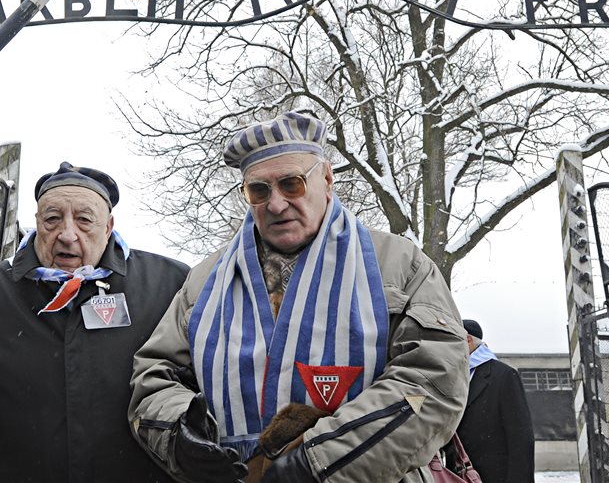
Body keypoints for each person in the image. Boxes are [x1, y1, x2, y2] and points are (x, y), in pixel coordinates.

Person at [129, 110, 469, 483]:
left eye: (291, 184)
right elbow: (155, 377)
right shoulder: (204, 281)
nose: (275, 204)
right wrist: (180, 437)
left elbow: (434, 384)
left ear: (326, 180)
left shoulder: (400, 265)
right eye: (258, 190)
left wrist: (317, 462)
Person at [0, 162, 189, 483]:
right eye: (52, 219)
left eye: (85, 220)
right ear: (36, 223)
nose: (68, 235)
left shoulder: (169, 287)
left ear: (109, 227)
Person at [455, 319, 535, 483]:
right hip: (458, 475)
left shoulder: (504, 376)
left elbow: (520, 437)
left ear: (468, 340)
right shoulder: (454, 376)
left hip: (495, 475)